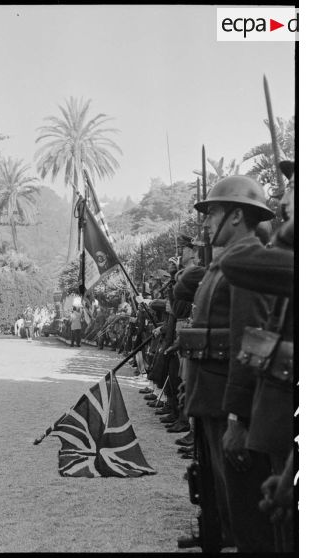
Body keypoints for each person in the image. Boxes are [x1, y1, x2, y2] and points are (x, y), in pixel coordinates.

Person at [177, 175, 276, 552]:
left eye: (212, 212)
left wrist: (238, 419)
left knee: (249, 519)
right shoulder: (224, 266)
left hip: (229, 408)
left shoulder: (248, 264)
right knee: (221, 503)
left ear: (236, 216)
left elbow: (249, 346)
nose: (205, 223)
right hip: (211, 402)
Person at [220, 160, 295, 552]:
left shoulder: (255, 257)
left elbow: (251, 339)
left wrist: (239, 415)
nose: (285, 199)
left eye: (294, 187)